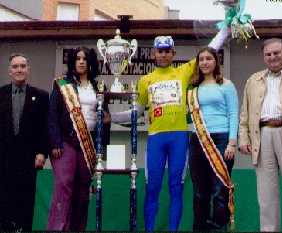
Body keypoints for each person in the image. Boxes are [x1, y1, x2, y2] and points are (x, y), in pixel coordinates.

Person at [111, 33, 228, 231]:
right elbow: (137, 112)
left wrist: (226, 27)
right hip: (156, 139)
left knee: (176, 188)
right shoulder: (145, 80)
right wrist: (109, 117)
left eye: (167, 51)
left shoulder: (183, 72)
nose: (163, 55)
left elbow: (210, 50)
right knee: (152, 188)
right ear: (153, 54)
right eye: (160, 51)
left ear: (173, 54)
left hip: (179, 138)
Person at [239, 38, 282, 231]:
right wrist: (244, 138)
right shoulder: (253, 80)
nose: (272, 57)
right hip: (262, 136)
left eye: (276, 53)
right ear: (263, 56)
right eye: (268, 54)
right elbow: (245, 113)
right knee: (266, 195)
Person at [47, 47, 110, 231]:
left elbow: (104, 118)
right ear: (72, 62)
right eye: (77, 58)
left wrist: (105, 126)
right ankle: (57, 228)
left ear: (91, 63)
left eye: (85, 59)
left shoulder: (99, 87)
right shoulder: (62, 85)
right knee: (64, 184)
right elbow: (52, 115)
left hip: (88, 143)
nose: (81, 62)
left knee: (83, 190)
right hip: (66, 142)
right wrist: (55, 142)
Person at [188, 47, 238, 231]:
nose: (204, 62)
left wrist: (232, 142)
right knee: (200, 192)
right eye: (201, 59)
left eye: (209, 58)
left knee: (219, 191)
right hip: (197, 140)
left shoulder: (226, 85)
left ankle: (218, 228)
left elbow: (233, 113)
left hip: (222, 139)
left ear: (216, 61)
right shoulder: (193, 88)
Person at [0, 53, 49, 231]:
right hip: (3, 159)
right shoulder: (0, 94)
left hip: (29, 159)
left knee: (25, 203)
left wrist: (42, 152)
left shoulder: (42, 97)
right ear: (9, 71)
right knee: (4, 204)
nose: (19, 69)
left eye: (22, 66)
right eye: (15, 66)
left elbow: (46, 128)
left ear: (28, 70)